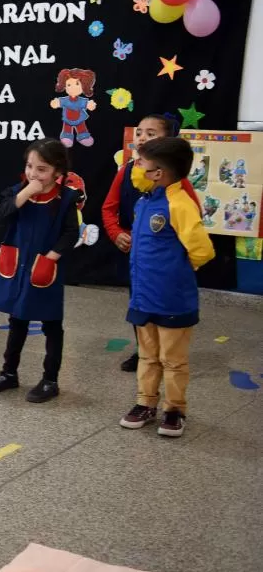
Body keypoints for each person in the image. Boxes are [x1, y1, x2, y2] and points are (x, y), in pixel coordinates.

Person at [118, 137, 214, 437]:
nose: (136, 169)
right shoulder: (145, 202)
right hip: (143, 297)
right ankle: (145, 403)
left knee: (173, 360)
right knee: (147, 356)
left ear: (158, 172)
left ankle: (175, 409)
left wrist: (177, 273)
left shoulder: (180, 204)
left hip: (172, 299)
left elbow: (202, 250)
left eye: (141, 164)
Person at [0, 139, 81, 403]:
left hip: (44, 269)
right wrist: (26, 193)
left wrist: (51, 257)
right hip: (18, 268)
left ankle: (50, 379)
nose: (33, 174)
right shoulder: (17, 192)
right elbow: (0, 214)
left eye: (41, 169)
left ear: (57, 172)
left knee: (52, 325)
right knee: (17, 321)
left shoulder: (65, 199)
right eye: (29, 166)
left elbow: (71, 232)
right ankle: (9, 372)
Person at [101, 114, 199, 372]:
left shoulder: (180, 185)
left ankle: (167, 354)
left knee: (163, 306)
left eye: (151, 133)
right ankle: (143, 350)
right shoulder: (125, 173)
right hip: (136, 259)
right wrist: (116, 233)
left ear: (167, 141)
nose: (142, 137)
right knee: (139, 303)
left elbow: (193, 222)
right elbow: (109, 209)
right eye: (140, 132)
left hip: (163, 263)